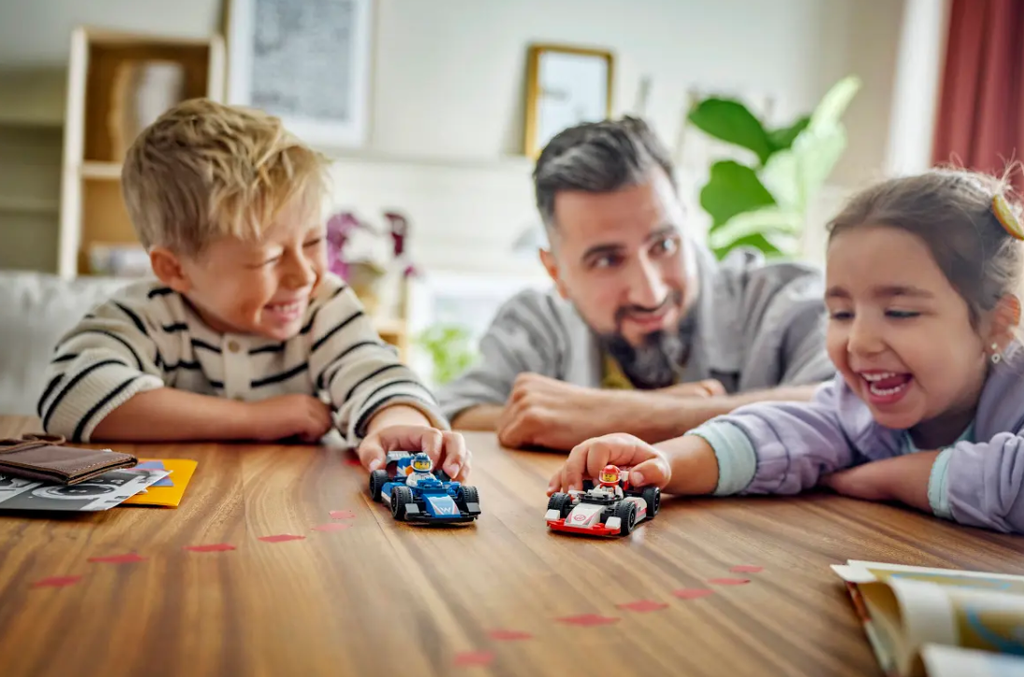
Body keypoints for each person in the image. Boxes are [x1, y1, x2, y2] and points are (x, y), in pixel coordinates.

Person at [548, 168, 1024, 535]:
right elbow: (774, 434)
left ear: (998, 324)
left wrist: (894, 477)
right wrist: (663, 461)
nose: (859, 342)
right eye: (841, 313)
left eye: (899, 313)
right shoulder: (853, 407)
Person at [36, 99, 467, 479]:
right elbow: (73, 394)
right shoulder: (146, 313)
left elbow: (373, 372)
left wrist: (395, 421)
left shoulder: (324, 306)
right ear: (175, 269)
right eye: (269, 258)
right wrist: (251, 419)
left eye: (314, 242)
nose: (305, 275)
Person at [437, 116, 835, 451]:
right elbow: (453, 415)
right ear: (556, 272)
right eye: (607, 260)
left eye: (664, 244)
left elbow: (849, 409)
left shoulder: (783, 300)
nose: (651, 292)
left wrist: (628, 416)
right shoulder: (536, 321)